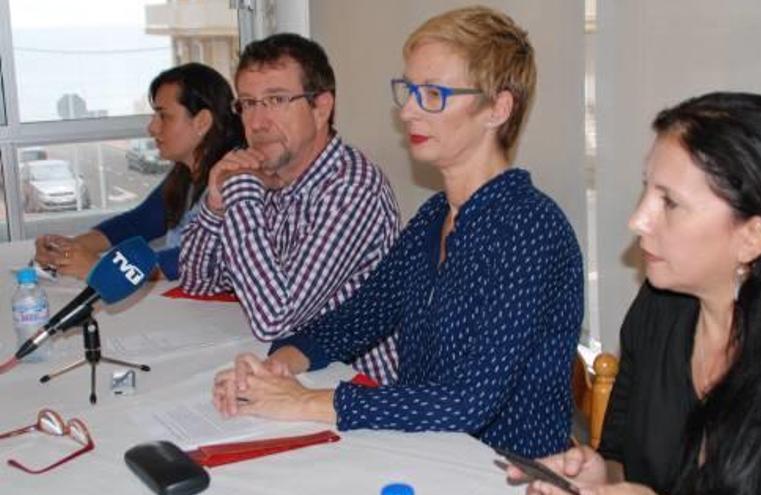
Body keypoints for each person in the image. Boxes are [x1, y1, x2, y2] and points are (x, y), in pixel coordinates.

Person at [211, 6, 583, 458]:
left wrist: (305, 402)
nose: (407, 111)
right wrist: (277, 368)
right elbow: (362, 316)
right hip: (431, 453)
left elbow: (468, 401)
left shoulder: (529, 229)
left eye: (432, 94)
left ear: (497, 108)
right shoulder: (434, 216)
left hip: (505, 472)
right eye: (408, 90)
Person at [510, 92, 761, 494]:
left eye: (669, 202)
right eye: (646, 190)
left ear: (753, 237)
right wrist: (600, 478)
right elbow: (624, 461)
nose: (638, 219)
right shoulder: (660, 307)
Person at [178, 34, 401, 383]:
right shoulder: (270, 171)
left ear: (321, 107)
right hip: (288, 372)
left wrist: (242, 191)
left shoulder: (352, 186)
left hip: (350, 387)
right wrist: (215, 206)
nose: (257, 122)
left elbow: (276, 319)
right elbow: (196, 282)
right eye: (248, 104)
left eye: (276, 100)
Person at [33, 63, 244, 281]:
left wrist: (101, 267)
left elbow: (203, 259)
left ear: (202, 122)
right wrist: (68, 249)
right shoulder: (186, 174)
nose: (152, 128)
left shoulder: (234, 178)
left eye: (164, 116)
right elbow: (138, 223)